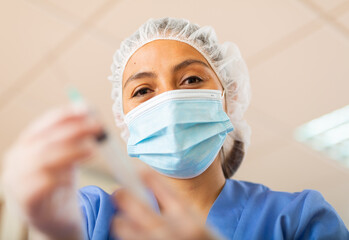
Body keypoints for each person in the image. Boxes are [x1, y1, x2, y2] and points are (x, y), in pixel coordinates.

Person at [2, 17, 348, 240]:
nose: (169, 101)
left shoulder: (298, 219)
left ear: (229, 96)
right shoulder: (89, 216)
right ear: (124, 121)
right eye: (143, 91)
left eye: (192, 79)